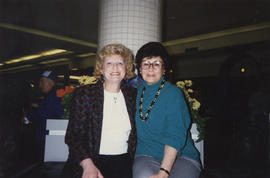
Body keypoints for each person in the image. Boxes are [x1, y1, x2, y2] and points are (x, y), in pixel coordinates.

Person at [64, 43, 137, 178]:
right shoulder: (85, 94)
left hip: (124, 163)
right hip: (90, 160)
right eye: (109, 63)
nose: (115, 67)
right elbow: (73, 136)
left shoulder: (133, 95)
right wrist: (87, 164)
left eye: (120, 63)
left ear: (126, 68)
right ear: (101, 69)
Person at [133, 42, 201, 178]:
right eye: (146, 63)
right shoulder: (133, 93)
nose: (150, 68)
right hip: (146, 155)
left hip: (181, 157)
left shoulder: (173, 93)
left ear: (164, 69)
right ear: (140, 69)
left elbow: (175, 135)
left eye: (156, 64)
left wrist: (163, 172)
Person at [24, 70, 63, 162]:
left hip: (46, 137)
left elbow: (45, 114)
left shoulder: (53, 97)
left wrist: (28, 116)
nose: (40, 85)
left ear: (51, 82)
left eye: (42, 81)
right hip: (47, 136)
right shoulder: (53, 95)